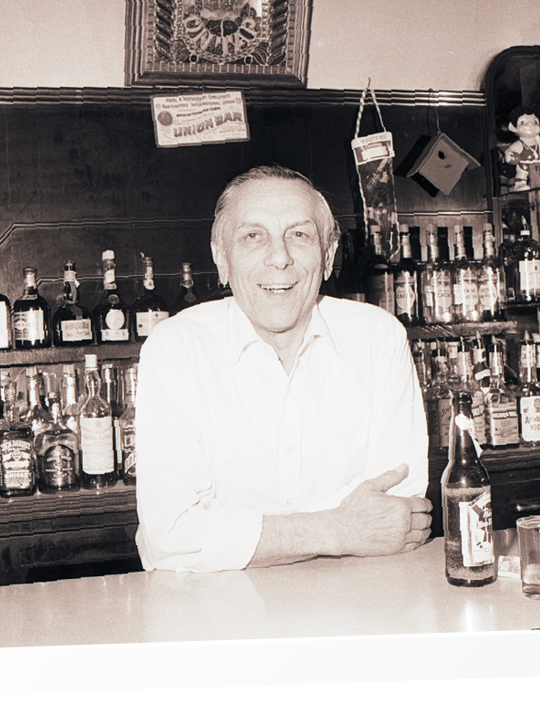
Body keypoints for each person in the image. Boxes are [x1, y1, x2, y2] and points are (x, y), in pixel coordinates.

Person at [135, 165, 432, 573]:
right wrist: (338, 530)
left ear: (327, 257)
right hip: (217, 618)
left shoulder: (378, 339)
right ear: (222, 258)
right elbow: (172, 538)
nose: (279, 258)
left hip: (356, 607)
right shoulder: (175, 350)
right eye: (253, 236)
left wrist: (236, 538)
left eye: (300, 235)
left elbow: (399, 519)